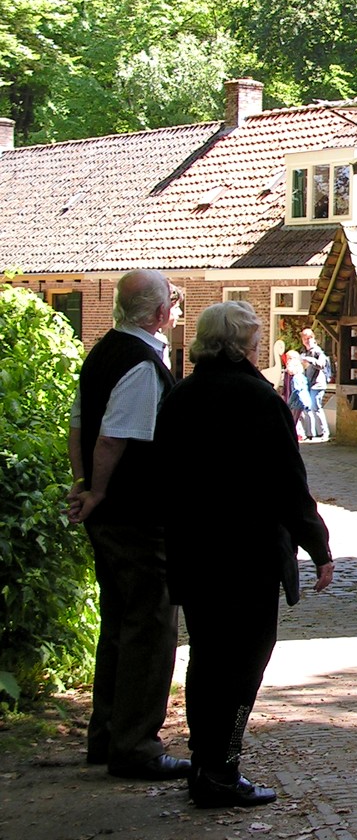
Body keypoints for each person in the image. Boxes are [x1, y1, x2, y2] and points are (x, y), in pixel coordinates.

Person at [155, 300, 334, 808]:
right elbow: (287, 483)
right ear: (241, 345)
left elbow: (162, 476)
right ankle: (222, 769)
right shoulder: (258, 399)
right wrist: (318, 546)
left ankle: (205, 761)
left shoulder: (181, 396)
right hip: (247, 557)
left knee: (207, 660)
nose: (259, 346)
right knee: (246, 666)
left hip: (194, 552)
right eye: (254, 339)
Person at [66, 270, 189, 780]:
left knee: (119, 624)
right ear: (158, 313)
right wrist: (95, 489)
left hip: (111, 515)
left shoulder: (102, 351)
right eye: (173, 305)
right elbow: (113, 438)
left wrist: (82, 486)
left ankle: (107, 736)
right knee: (151, 628)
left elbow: (77, 424)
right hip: (137, 516)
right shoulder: (141, 363)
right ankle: (136, 746)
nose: (176, 313)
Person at [298, 327, 330, 440]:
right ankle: (311, 434)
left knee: (316, 407)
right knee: (308, 408)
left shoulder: (317, 351)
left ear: (313, 338)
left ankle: (324, 433)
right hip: (308, 384)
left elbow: (321, 364)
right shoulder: (304, 352)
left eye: (309, 338)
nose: (307, 340)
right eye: (305, 338)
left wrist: (308, 359)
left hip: (317, 384)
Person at [283, 349, 312, 439]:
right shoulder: (302, 376)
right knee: (300, 418)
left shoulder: (296, 378)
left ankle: (295, 435)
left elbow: (296, 391)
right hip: (303, 401)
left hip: (297, 402)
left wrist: (289, 402)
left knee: (294, 419)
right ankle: (304, 434)